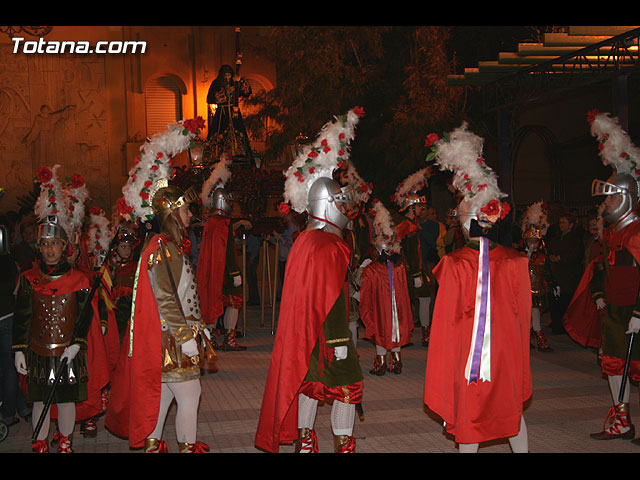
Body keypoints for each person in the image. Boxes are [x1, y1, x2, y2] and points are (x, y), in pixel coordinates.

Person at [255, 107, 365, 453]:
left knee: (310, 384)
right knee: (348, 387)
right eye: (341, 203)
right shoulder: (329, 245)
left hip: (305, 333)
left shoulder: (305, 239)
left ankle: (306, 444)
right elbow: (330, 299)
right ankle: (343, 446)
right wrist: (340, 341)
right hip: (329, 333)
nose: (345, 211)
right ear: (328, 204)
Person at [424, 123, 531, 453]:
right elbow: (523, 317)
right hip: (505, 355)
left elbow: (444, 323)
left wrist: (445, 367)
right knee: (509, 408)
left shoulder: (455, 264)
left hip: (468, 357)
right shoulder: (515, 261)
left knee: (470, 411)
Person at [105, 183, 210, 453]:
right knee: (190, 394)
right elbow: (165, 298)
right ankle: (187, 448)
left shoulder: (167, 246)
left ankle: (153, 447)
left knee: (162, 396)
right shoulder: (163, 249)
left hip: (171, 335)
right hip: (173, 339)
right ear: (172, 214)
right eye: (186, 210)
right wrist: (186, 337)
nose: (190, 215)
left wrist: (198, 326)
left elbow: (181, 294)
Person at [578, 110, 640, 443]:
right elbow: (607, 266)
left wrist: (639, 313)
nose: (608, 203)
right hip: (616, 311)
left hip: (634, 311)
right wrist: (600, 294)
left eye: (614, 197)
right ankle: (621, 421)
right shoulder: (613, 233)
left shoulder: (636, 233)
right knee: (613, 365)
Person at [12, 214, 98, 453]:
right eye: (45, 244)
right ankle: (40, 441)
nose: (50, 249)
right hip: (38, 351)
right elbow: (22, 318)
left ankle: (65, 440)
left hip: (67, 351)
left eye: (55, 244)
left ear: (64, 247)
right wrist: (19, 350)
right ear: (39, 249)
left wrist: (77, 344)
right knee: (40, 400)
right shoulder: (29, 279)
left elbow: (84, 316)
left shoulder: (79, 279)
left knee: (66, 399)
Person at [197, 155, 246, 351]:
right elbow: (226, 252)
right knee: (233, 301)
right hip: (224, 272)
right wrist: (235, 274)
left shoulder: (212, 222)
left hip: (215, 270)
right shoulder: (222, 224)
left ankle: (212, 337)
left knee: (213, 299)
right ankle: (228, 338)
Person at [359, 199, 412, 375]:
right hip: (396, 308)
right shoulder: (400, 268)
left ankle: (381, 363)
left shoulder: (372, 270)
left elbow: (366, 294)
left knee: (381, 329)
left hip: (380, 309)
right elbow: (405, 293)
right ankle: (397, 362)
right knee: (395, 328)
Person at [519, 202, 556, 352]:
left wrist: (553, 283)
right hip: (524, 290)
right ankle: (530, 339)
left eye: (535, 242)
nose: (533, 244)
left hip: (538, 290)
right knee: (527, 316)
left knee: (535, 315)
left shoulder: (542, 256)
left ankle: (539, 340)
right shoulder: (521, 256)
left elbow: (547, 271)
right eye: (530, 241)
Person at [206, 64, 254, 165]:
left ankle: (239, 158)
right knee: (219, 136)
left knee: (238, 135)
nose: (227, 77)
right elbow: (210, 99)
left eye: (229, 75)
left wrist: (241, 80)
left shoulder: (235, 83)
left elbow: (247, 92)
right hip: (221, 115)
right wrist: (225, 93)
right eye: (225, 75)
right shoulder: (216, 84)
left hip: (234, 114)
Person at [546, 212, 584, 334]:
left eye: (564, 223)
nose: (561, 225)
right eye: (560, 223)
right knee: (554, 300)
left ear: (571, 225)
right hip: (556, 274)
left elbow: (576, 256)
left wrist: (560, 258)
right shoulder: (556, 239)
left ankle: (564, 325)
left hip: (568, 276)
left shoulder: (575, 240)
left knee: (564, 301)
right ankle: (555, 322)